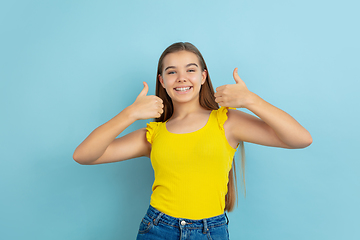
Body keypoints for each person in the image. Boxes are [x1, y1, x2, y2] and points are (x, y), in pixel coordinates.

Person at [73, 42, 312, 240]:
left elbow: (300, 139)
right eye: (171, 72)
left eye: (190, 69)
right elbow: (83, 155)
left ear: (202, 76)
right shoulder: (154, 134)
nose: (181, 78)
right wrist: (129, 114)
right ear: (162, 81)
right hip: (157, 229)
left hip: (211, 231)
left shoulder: (227, 121)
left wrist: (252, 101)